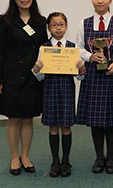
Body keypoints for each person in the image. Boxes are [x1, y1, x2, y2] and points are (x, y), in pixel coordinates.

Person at [0, 0, 48, 175]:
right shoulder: (4, 20)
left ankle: (26, 155)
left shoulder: (41, 21)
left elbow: (45, 49)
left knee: (28, 118)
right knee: (14, 118)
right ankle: (14, 157)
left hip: (32, 76)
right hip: (11, 76)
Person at [76, 0, 113, 174]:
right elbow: (79, 48)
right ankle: (99, 157)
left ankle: (111, 157)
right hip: (93, 75)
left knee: (112, 119)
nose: (100, 1)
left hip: (112, 74)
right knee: (96, 119)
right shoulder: (84, 23)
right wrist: (90, 57)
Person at [32, 12, 86, 178]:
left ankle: (66, 161)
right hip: (50, 90)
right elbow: (40, 76)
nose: (58, 28)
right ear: (49, 28)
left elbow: (79, 76)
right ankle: (55, 161)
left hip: (67, 90)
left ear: (66, 26)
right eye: (54, 25)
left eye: (61, 24)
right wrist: (36, 70)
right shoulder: (44, 48)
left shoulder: (73, 48)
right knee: (53, 127)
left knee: (66, 127)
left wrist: (82, 69)